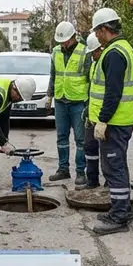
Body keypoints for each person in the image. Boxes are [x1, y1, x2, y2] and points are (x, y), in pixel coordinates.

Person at [88, 7, 133, 235]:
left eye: (97, 31)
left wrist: (103, 120)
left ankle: (119, 217)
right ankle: (120, 209)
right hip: (122, 120)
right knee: (117, 165)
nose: (96, 37)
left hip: (115, 122)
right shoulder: (125, 49)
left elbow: (113, 92)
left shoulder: (114, 53)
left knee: (114, 167)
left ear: (104, 29)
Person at [48, 21, 88, 186]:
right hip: (61, 100)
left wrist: (90, 102)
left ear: (73, 37)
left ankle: (80, 172)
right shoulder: (56, 52)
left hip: (78, 101)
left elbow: (89, 78)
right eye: (61, 41)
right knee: (61, 137)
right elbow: (53, 74)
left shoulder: (84, 52)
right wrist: (49, 95)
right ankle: (63, 169)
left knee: (80, 139)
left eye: (66, 40)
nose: (63, 44)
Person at [78, 33, 105, 191]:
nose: (91, 56)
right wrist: (88, 110)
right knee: (90, 148)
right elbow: (93, 90)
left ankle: (111, 183)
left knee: (110, 154)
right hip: (93, 114)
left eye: (93, 52)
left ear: (100, 49)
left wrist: (104, 118)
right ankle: (92, 180)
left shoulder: (108, 63)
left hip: (106, 116)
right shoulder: (95, 64)